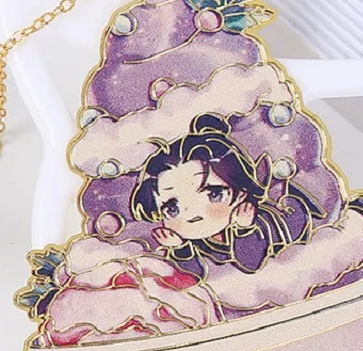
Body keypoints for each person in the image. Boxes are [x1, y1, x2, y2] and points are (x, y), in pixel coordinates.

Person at [131, 113, 312, 279]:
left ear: (241, 192)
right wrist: (180, 248)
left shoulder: (254, 222)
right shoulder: (197, 240)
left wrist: (243, 228)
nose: (192, 212)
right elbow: (192, 278)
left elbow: (252, 263)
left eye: (213, 194)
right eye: (172, 209)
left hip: (291, 230)